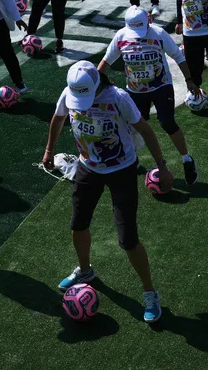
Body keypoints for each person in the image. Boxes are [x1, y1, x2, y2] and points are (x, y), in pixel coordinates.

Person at [42, 60, 174, 324]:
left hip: (122, 170)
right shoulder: (69, 92)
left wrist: (162, 167)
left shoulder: (118, 98)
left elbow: (146, 132)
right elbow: (58, 118)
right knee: (78, 224)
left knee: (128, 239)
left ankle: (150, 292)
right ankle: (85, 271)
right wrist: (48, 150)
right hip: (87, 167)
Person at [99, 6, 200, 184]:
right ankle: (132, 160)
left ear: (148, 21)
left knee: (167, 122)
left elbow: (178, 56)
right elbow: (106, 62)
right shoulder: (121, 36)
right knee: (133, 126)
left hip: (161, 86)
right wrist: (99, 83)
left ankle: (187, 160)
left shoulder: (159, 33)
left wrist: (189, 79)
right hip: (136, 91)